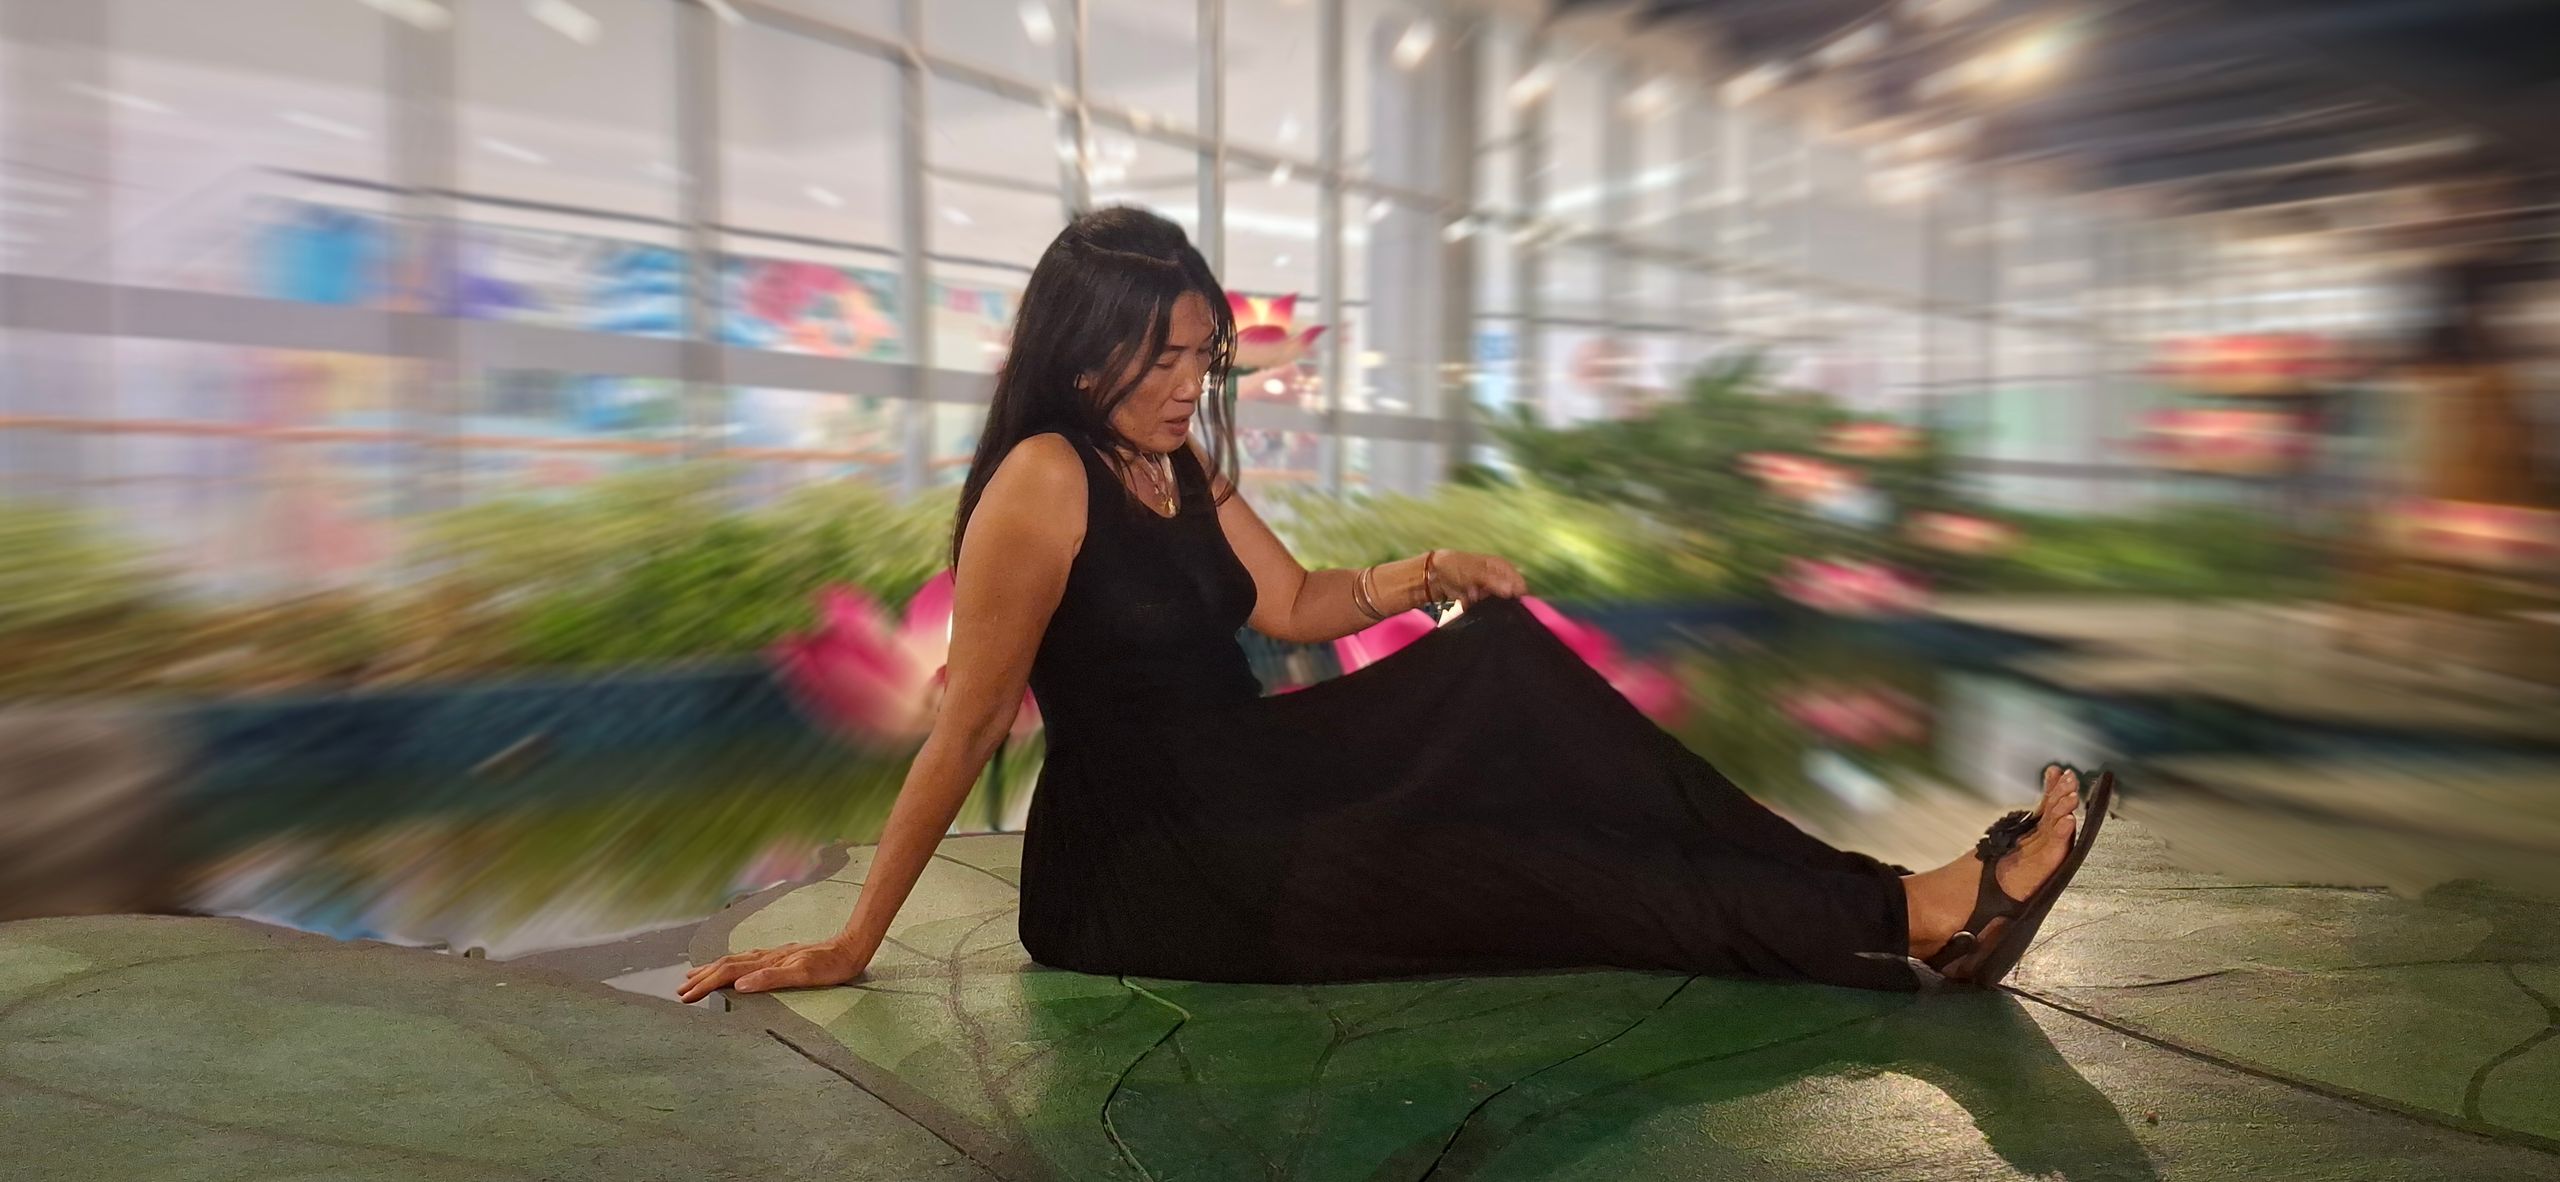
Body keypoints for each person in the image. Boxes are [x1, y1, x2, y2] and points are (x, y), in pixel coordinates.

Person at [681, 208, 2107, 1002]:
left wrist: (1431, 573)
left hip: (1260, 793)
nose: (1189, 384)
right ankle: (1919, 914)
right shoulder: (1044, 480)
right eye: (1164, 356)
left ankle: (1903, 903)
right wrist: (853, 943)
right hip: (1156, 867)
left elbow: (1298, 600)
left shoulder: (1177, 463)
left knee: (1509, 673)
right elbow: (966, 725)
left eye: (1202, 357)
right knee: (1555, 876)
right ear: (1082, 347)